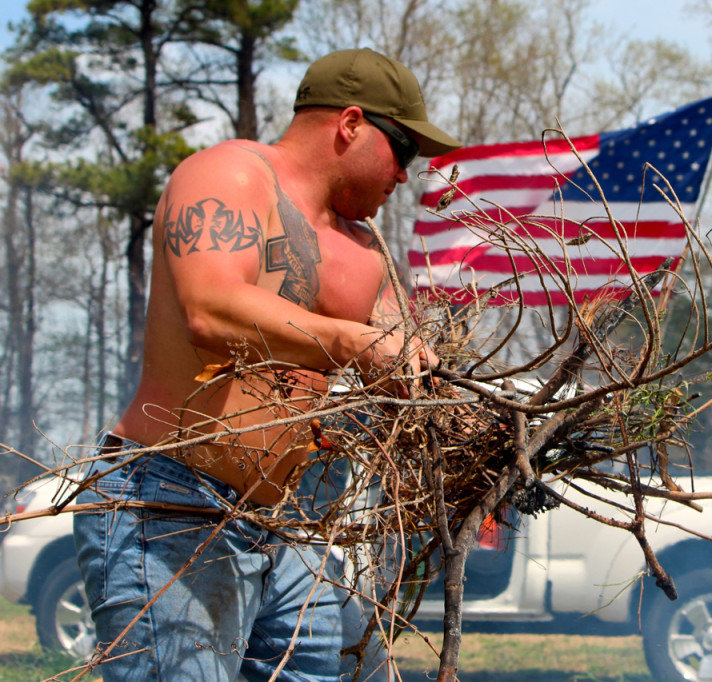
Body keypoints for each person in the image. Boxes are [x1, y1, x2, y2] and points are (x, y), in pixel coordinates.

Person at [72, 47, 461, 681]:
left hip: (286, 525)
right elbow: (210, 308)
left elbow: (400, 362)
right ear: (351, 124)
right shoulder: (227, 176)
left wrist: (467, 423)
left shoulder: (363, 249)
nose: (404, 176)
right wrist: (354, 342)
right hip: (173, 504)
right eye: (403, 152)